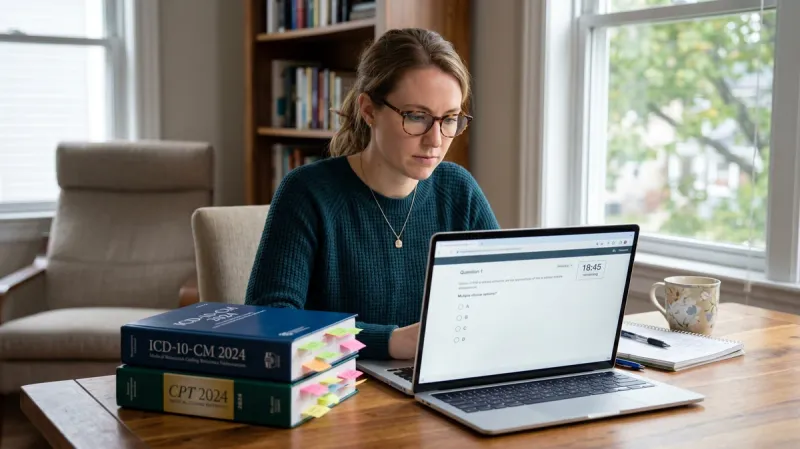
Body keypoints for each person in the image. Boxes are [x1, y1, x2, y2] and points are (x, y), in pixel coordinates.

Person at [245, 28, 500, 360]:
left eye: (449, 119)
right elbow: (270, 321)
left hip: (432, 388)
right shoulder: (307, 193)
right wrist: (389, 341)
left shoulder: (457, 189)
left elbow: (501, 301)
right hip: (334, 395)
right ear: (368, 110)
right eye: (417, 117)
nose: (436, 140)